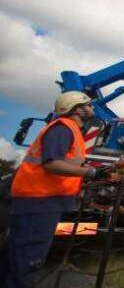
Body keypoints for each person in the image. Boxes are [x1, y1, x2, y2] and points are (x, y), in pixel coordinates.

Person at [3, 91, 108, 287]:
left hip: (41, 200)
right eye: (89, 104)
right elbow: (51, 164)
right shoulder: (63, 129)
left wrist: (89, 173)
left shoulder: (69, 130)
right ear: (78, 110)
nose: (93, 108)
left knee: (18, 257)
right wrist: (90, 174)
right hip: (40, 201)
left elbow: (67, 163)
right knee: (28, 259)